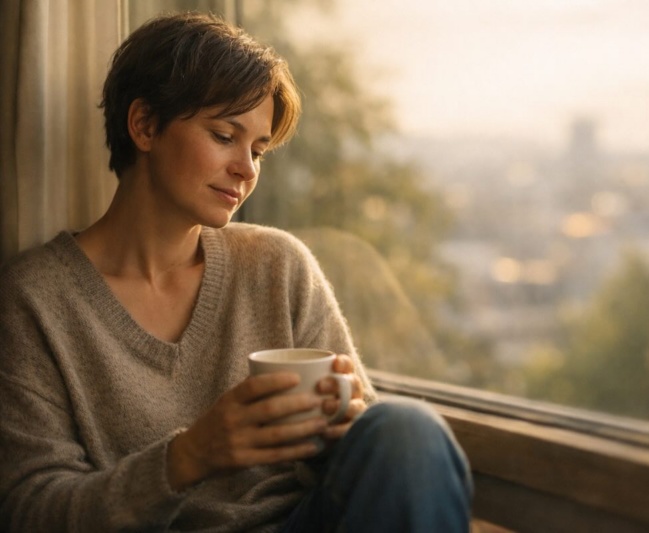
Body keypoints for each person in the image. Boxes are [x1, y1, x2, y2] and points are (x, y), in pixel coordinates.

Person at [0, 12, 472, 532]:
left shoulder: (278, 266)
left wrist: (344, 425)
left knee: (407, 429)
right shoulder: (35, 301)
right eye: (225, 135)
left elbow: (365, 457)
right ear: (144, 125)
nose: (247, 169)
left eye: (258, 149)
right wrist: (188, 458)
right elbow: (31, 510)